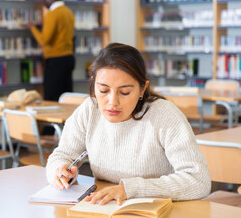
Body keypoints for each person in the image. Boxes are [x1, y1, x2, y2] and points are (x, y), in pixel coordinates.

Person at [46, 43, 211, 205]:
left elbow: (198, 180)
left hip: (155, 209)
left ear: (142, 89)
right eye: (103, 90)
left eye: (124, 92)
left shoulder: (164, 115)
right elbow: (61, 155)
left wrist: (129, 189)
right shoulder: (89, 109)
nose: (112, 102)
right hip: (105, 207)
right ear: (93, 83)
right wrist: (59, 170)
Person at [30, 0, 75, 101]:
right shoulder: (68, 12)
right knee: (65, 96)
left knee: (51, 97)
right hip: (68, 58)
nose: (43, 1)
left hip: (55, 61)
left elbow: (44, 40)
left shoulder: (52, 14)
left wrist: (32, 28)